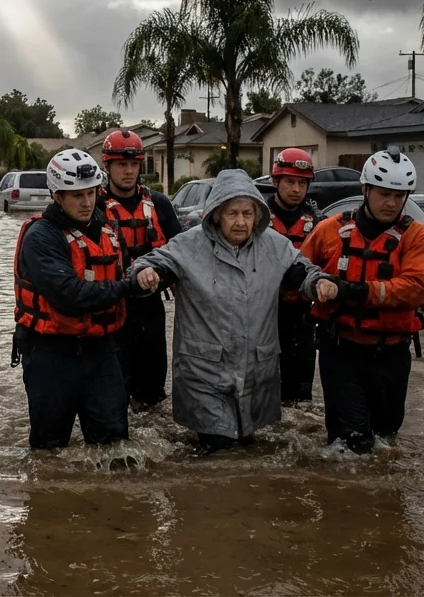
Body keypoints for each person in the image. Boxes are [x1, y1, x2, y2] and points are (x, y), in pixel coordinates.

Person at [130, 169, 341, 455]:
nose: (241, 222)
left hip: (256, 370)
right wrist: (146, 273)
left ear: (257, 215)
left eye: (247, 213)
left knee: (249, 452)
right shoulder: (190, 244)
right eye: (232, 213)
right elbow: (154, 263)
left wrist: (319, 283)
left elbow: (302, 271)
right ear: (217, 214)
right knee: (220, 451)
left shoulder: (273, 244)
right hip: (204, 371)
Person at [300, 150, 424, 454]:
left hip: (391, 352)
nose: (391, 203)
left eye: (399, 196)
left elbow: (414, 289)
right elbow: (299, 271)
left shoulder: (416, 237)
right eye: (384, 194)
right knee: (352, 442)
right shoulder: (330, 230)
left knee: (386, 437)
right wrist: (314, 287)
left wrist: (352, 290)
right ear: (365, 190)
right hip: (341, 349)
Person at [12, 149, 144, 450]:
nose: (87, 203)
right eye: (77, 196)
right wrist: (128, 286)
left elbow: (127, 266)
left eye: (91, 193)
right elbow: (69, 296)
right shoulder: (41, 237)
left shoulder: (108, 229)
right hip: (51, 353)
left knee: (114, 446)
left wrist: (147, 273)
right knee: (50, 448)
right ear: (57, 196)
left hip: (102, 350)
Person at [97, 129, 183, 413]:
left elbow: (181, 252)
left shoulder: (159, 204)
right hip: (110, 305)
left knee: (153, 389)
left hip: (150, 306)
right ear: (107, 166)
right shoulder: (94, 206)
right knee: (114, 386)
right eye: (122, 165)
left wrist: (160, 276)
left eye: (134, 165)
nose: (129, 171)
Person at [264, 148, 323, 404]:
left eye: (302, 183)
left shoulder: (319, 223)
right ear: (275, 181)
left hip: (302, 317)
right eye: (289, 181)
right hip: (263, 314)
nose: (296, 189)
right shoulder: (254, 218)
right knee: (262, 387)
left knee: (299, 397)